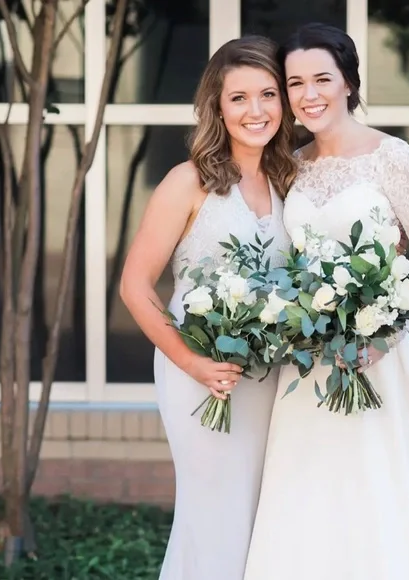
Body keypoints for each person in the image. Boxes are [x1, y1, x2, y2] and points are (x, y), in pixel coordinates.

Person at [244, 23, 409, 580]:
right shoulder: (290, 164)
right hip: (313, 362)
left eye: (322, 79)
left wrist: (383, 335)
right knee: (315, 494)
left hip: (385, 358)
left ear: (349, 82)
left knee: (385, 489)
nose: (309, 94)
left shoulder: (392, 156)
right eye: (295, 83)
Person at [120, 35, 296, 580]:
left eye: (267, 94)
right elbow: (135, 286)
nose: (256, 110)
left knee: (263, 516)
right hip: (199, 375)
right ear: (217, 107)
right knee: (215, 514)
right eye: (238, 97)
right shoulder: (188, 181)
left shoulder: (291, 181)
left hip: (273, 377)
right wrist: (193, 363)